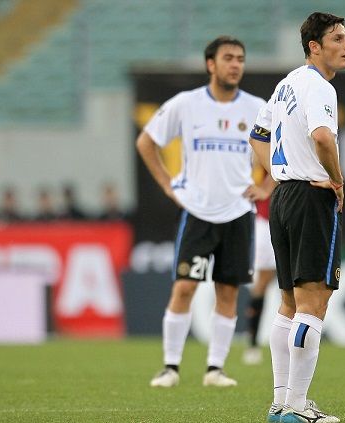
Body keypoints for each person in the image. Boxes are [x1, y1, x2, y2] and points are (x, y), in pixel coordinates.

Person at [136, 35, 265, 388]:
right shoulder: (186, 104)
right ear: (211, 64)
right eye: (228, 58)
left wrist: (267, 185)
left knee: (228, 292)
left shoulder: (256, 107)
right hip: (197, 211)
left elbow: (281, 150)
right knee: (184, 288)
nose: (236, 64)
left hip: (238, 212)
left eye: (240, 58)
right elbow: (146, 141)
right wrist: (167, 184)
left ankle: (215, 369)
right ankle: (170, 367)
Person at [249, 12, 345, 423]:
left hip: (284, 198)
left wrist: (276, 175)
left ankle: (280, 403)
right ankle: (295, 406)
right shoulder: (319, 87)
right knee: (313, 303)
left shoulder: (286, 83)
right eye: (338, 38)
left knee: (288, 303)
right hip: (311, 197)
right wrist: (338, 180)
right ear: (315, 46)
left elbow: (257, 135)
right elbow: (323, 137)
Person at [243, 165, 278, 365]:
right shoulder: (268, 136)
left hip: (292, 216)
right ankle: (253, 342)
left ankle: (292, 342)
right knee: (263, 281)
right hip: (267, 220)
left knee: (290, 282)